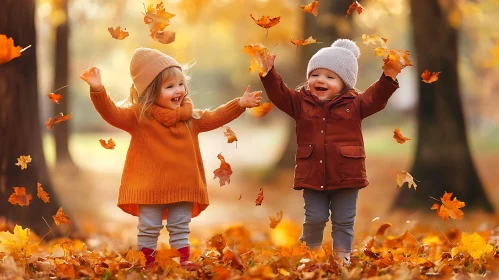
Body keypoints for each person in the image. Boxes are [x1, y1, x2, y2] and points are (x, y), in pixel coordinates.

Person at [79, 47, 262, 270]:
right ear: (150, 91)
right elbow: (111, 113)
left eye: (180, 84)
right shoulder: (139, 117)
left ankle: (182, 261)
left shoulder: (190, 117)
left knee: (180, 227)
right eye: (169, 86)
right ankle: (147, 263)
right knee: (148, 227)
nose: (178, 90)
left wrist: (239, 104)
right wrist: (98, 89)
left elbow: (215, 117)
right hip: (149, 188)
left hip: (183, 186)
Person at [258, 39, 400, 264]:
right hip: (313, 173)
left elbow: (376, 96)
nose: (320, 80)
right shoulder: (300, 102)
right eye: (315, 74)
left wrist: (388, 77)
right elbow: (279, 94)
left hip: (347, 174)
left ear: (344, 83)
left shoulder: (355, 104)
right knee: (314, 218)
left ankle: (342, 254)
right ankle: (310, 253)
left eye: (329, 77)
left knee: (344, 220)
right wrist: (268, 73)